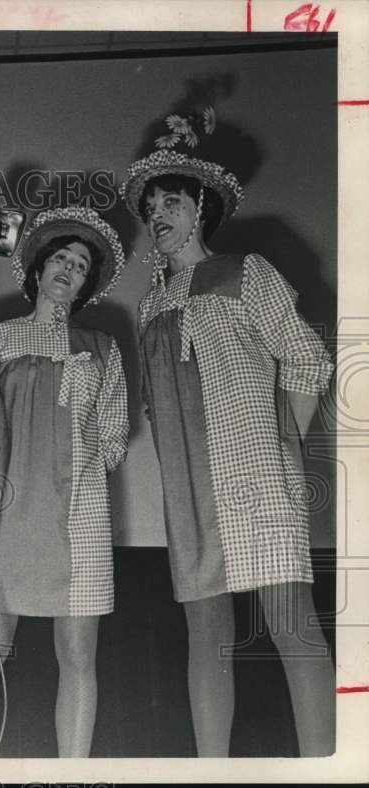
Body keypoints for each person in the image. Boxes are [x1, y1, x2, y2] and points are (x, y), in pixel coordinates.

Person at [120, 107, 335, 756]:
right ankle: (210, 769)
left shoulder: (248, 271)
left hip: (256, 473)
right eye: (151, 205)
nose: (159, 214)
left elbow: (307, 356)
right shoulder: (151, 305)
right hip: (190, 488)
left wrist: (284, 439)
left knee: (291, 625)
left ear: (201, 210)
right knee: (204, 632)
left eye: (172, 202)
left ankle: (327, 764)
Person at [0, 206, 129, 757]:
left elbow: (113, 433)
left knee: (79, 656)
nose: (68, 268)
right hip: (5, 509)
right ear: (37, 270)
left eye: (81, 265)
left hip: (78, 511)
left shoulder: (103, 347)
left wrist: (79, 468)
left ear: (86, 285)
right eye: (60, 257)